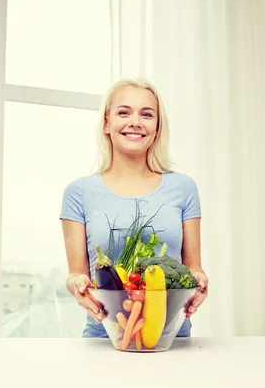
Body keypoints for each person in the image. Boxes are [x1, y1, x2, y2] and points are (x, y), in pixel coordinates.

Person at [59, 77, 208, 338]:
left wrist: (199, 282)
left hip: (171, 338)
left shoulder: (183, 188)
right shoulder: (78, 193)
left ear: (157, 126)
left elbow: (193, 267)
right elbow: (75, 274)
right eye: (124, 112)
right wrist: (78, 286)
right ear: (107, 123)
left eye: (147, 114)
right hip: (104, 338)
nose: (135, 122)